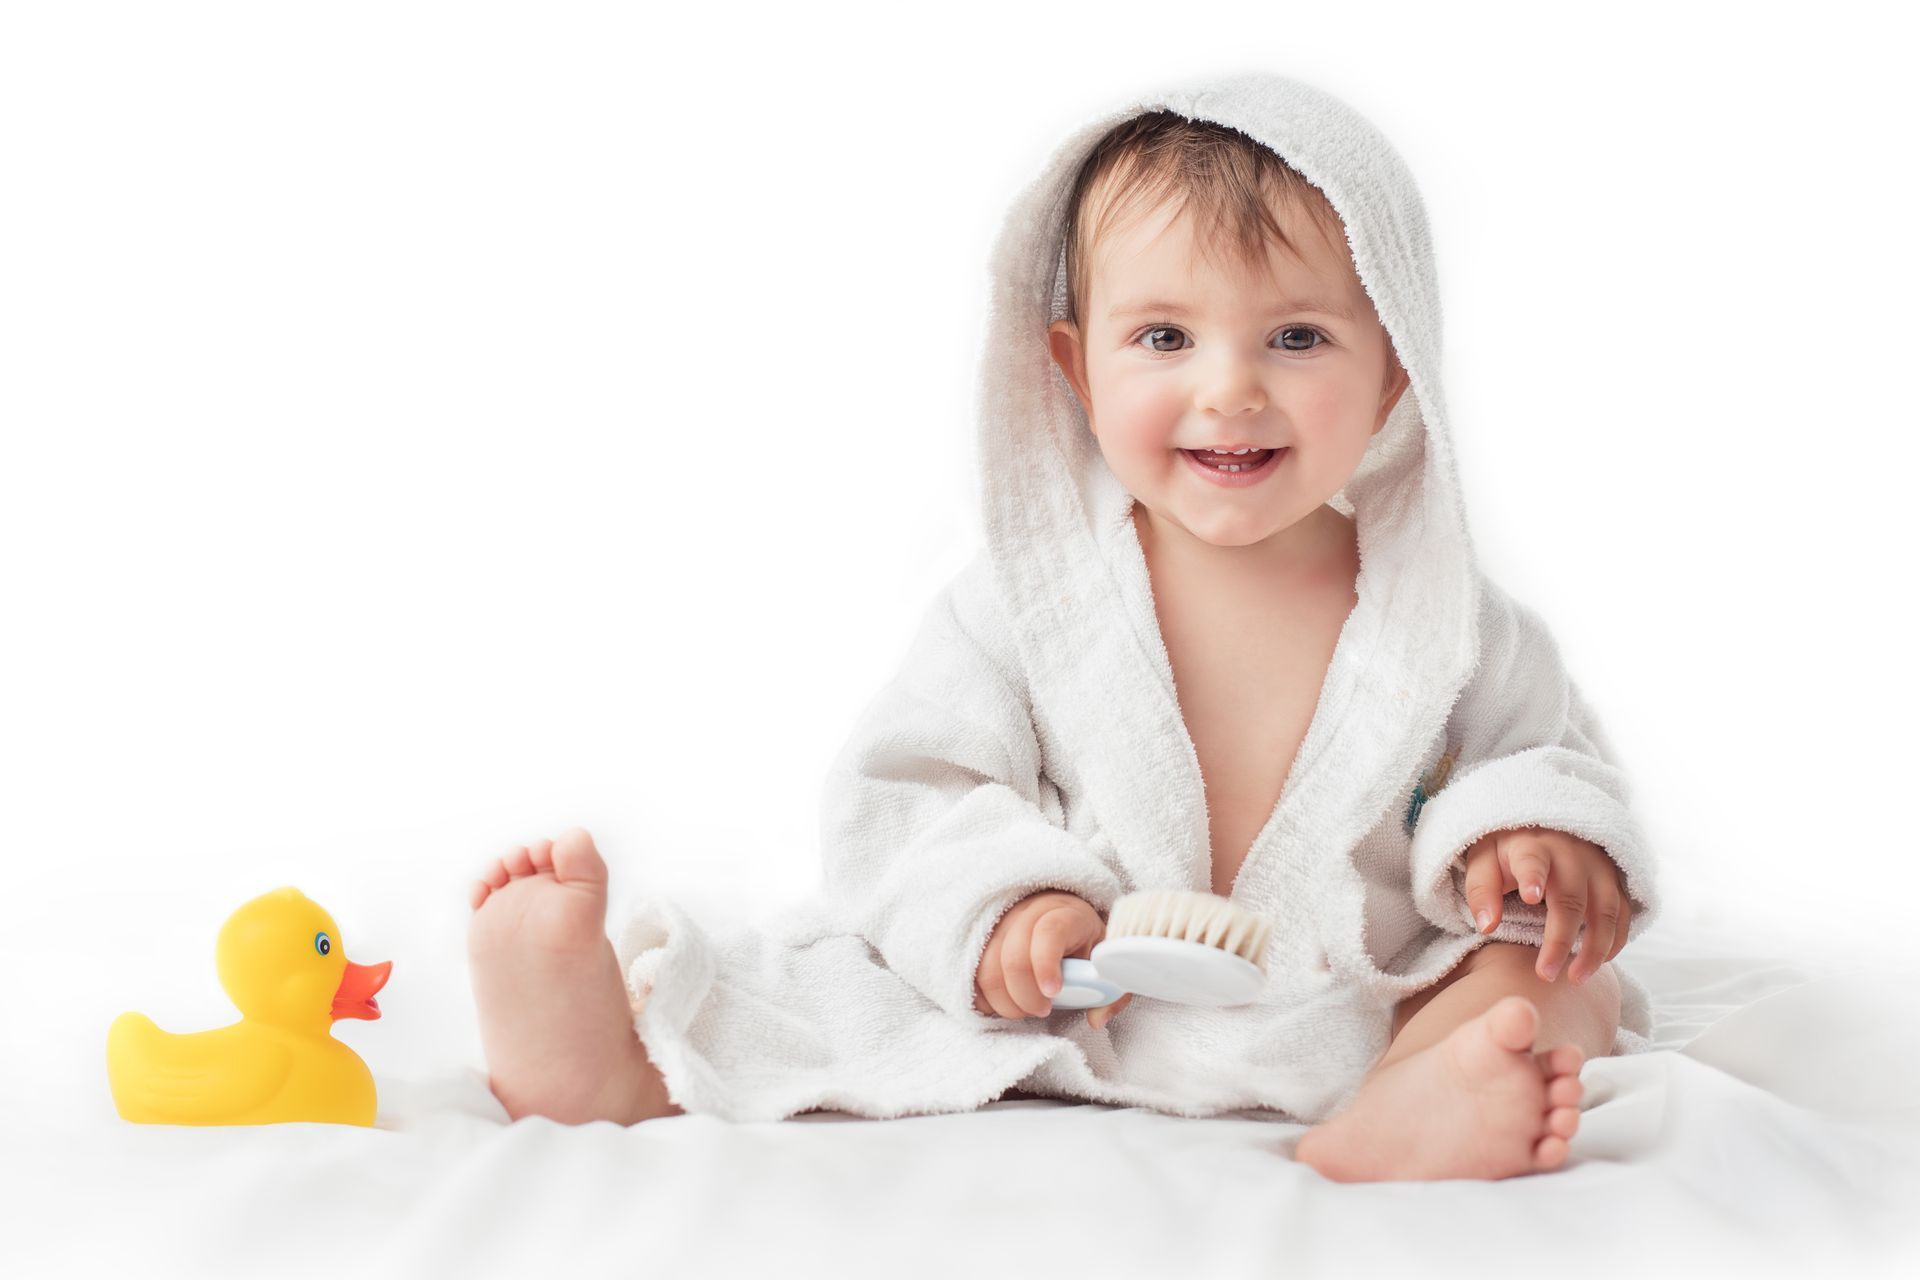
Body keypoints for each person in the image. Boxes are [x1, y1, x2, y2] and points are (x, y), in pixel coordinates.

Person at [466, 72, 1659, 1183]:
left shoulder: (1450, 623)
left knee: (1558, 981)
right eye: (1164, 337)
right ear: (1075, 371)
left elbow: (1541, 757)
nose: (1230, 388)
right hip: (1078, 994)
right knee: (846, 995)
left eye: (1297, 337)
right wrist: (1009, 910)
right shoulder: (1024, 606)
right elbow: (912, 790)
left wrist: (1532, 838)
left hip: (1355, 1003)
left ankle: (1411, 1102)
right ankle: (609, 1068)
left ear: (1395, 370)